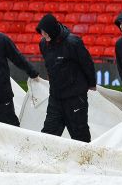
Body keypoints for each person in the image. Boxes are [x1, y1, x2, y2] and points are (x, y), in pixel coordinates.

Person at [36, 13, 97, 142]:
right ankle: (45, 161)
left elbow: (87, 63)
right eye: (42, 32)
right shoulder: (43, 44)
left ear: (53, 30)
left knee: (80, 136)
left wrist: (92, 83)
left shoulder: (73, 42)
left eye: (46, 32)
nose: (43, 35)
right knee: (48, 134)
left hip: (75, 97)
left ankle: (85, 162)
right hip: (55, 97)